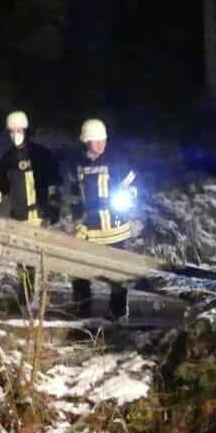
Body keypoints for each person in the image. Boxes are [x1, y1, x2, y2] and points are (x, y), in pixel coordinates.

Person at [0, 110, 61, 308]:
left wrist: (53, 205)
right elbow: (0, 185)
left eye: (18, 130)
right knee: (22, 261)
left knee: (36, 259)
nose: (14, 135)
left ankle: (36, 301)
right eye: (11, 131)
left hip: (38, 216)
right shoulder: (8, 158)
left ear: (26, 131)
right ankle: (25, 300)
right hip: (18, 217)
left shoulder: (40, 155)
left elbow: (53, 182)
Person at [68, 117, 136, 320]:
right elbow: (75, 195)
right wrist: (78, 219)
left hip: (115, 227)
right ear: (86, 141)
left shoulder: (117, 161)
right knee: (79, 270)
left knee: (118, 274)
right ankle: (82, 310)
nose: (100, 144)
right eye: (96, 141)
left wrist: (129, 198)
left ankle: (118, 314)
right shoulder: (79, 166)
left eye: (103, 140)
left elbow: (132, 185)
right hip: (90, 228)